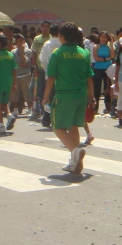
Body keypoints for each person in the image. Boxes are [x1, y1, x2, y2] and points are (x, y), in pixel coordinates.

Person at [43, 22, 95, 174]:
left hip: (64, 95)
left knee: (57, 127)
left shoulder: (58, 53)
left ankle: (75, 151)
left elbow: (51, 78)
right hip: (81, 95)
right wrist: (92, 98)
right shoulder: (84, 53)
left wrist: (45, 97)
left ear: (62, 36)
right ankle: (74, 161)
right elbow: (89, 78)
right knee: (73, 126)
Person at [39, 25, 62, 127]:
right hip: (62, 75)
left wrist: (46, 70)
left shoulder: (47, 44)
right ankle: (56, 119)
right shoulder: (62, 44)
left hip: (49, 74)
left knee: (49, 97)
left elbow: (42, 60)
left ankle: (47, 118)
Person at [30, 21, 51, 118]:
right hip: (39, 68)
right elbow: (33, 54)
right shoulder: (37, 39)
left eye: (47, 27)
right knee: (38, 90)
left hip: (49, 69)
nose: (45, 28)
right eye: (43, 27)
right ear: (41, 28)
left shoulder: (51, 39)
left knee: (49, 91)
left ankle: (48, 112)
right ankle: (41, 111)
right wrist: (34, 67)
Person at [91, 31, 114, 114]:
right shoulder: (96, 46)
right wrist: (106, 59)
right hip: (98, 68)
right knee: (96, 89)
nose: (103, 39)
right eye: (102, 37)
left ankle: (108, 108)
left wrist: (111, 43)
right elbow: (96, 58)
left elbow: (112, 56)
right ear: (99, 37)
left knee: (108, 88)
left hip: (108, 69)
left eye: (105, 37)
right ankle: (95, 107)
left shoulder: (108, 47)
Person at [11, 34, 32, 116]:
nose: (19, 43)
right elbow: (13, 64)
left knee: (27, 92)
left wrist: (22, 51)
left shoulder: (28, 51)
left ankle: (29, 109)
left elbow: (25, 63)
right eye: (17, 41)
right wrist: (18, 64)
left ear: (24, 41)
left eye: (21, 41)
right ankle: (15, 110)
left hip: (25, 75)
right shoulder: (13, 52)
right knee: (15, 93)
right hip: (16, 75)